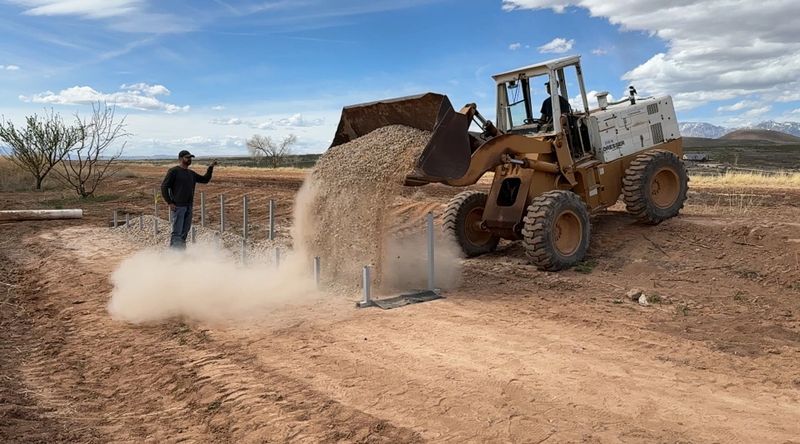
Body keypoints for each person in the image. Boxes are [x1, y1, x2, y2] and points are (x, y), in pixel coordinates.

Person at [161, 150, 217, 249]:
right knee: (177, 231)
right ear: (180, 158)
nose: (189, 159)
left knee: (185, 231)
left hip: (188, 206)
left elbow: (205, 180)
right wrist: (169, 202)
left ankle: (181, 252)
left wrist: (210, 168)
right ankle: (174, 255)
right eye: (187, 157)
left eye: (190, 158)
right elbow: (164, 187)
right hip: (178, 206)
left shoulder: (191, 173)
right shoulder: (174, 171)